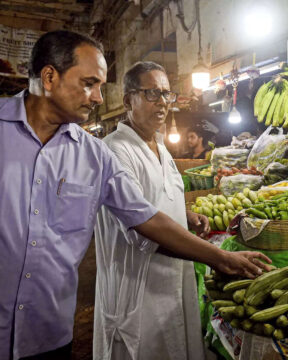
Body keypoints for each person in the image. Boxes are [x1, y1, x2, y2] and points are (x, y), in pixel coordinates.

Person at [0, 30, 271, 360]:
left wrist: (222, 257)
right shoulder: (110, 150)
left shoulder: (92, 155)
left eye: (101, 85)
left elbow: (146, 217)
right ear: (49, 77)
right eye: (89, 83)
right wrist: (219, 257)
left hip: (48, 335)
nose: (99, 98)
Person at [93, 61, 209, 360]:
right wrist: (219, 258)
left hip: (174, 279)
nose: (162, 103)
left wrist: (186, 216)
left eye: (167, 95)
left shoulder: (160, 145)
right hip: (138, 289)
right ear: (127, 100)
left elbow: (159, 198)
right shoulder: (114, 150)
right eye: (151, 94)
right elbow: (143, 228)